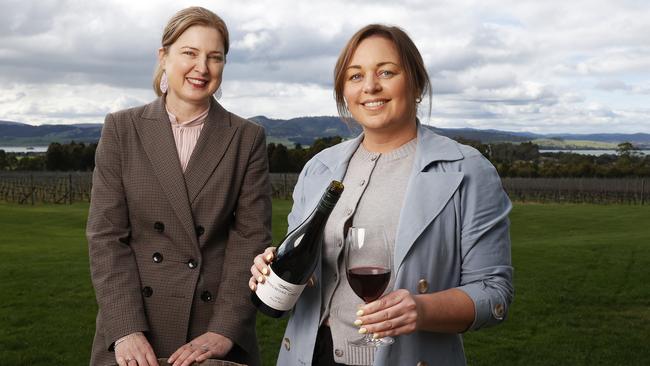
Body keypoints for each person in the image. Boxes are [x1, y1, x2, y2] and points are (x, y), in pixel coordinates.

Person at [250, 24, 513, 366]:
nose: (370, 86)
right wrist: (273, 268)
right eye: (355, 76)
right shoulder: (319, 169)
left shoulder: (467, 170)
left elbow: (495, 293)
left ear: (416, 84)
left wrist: (421, 309)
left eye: (386, 72)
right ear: (344, 91)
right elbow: (302, 265)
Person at [87, 6, 271, 366]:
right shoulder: (122, 129)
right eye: (189, 52)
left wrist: (225, 330)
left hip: (210, 331)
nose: (202, 68)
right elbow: (105, 237)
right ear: (164, 56)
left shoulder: (246, 138)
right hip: (134, 330)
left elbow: (250, 241)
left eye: (214, 57)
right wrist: (125, 329)